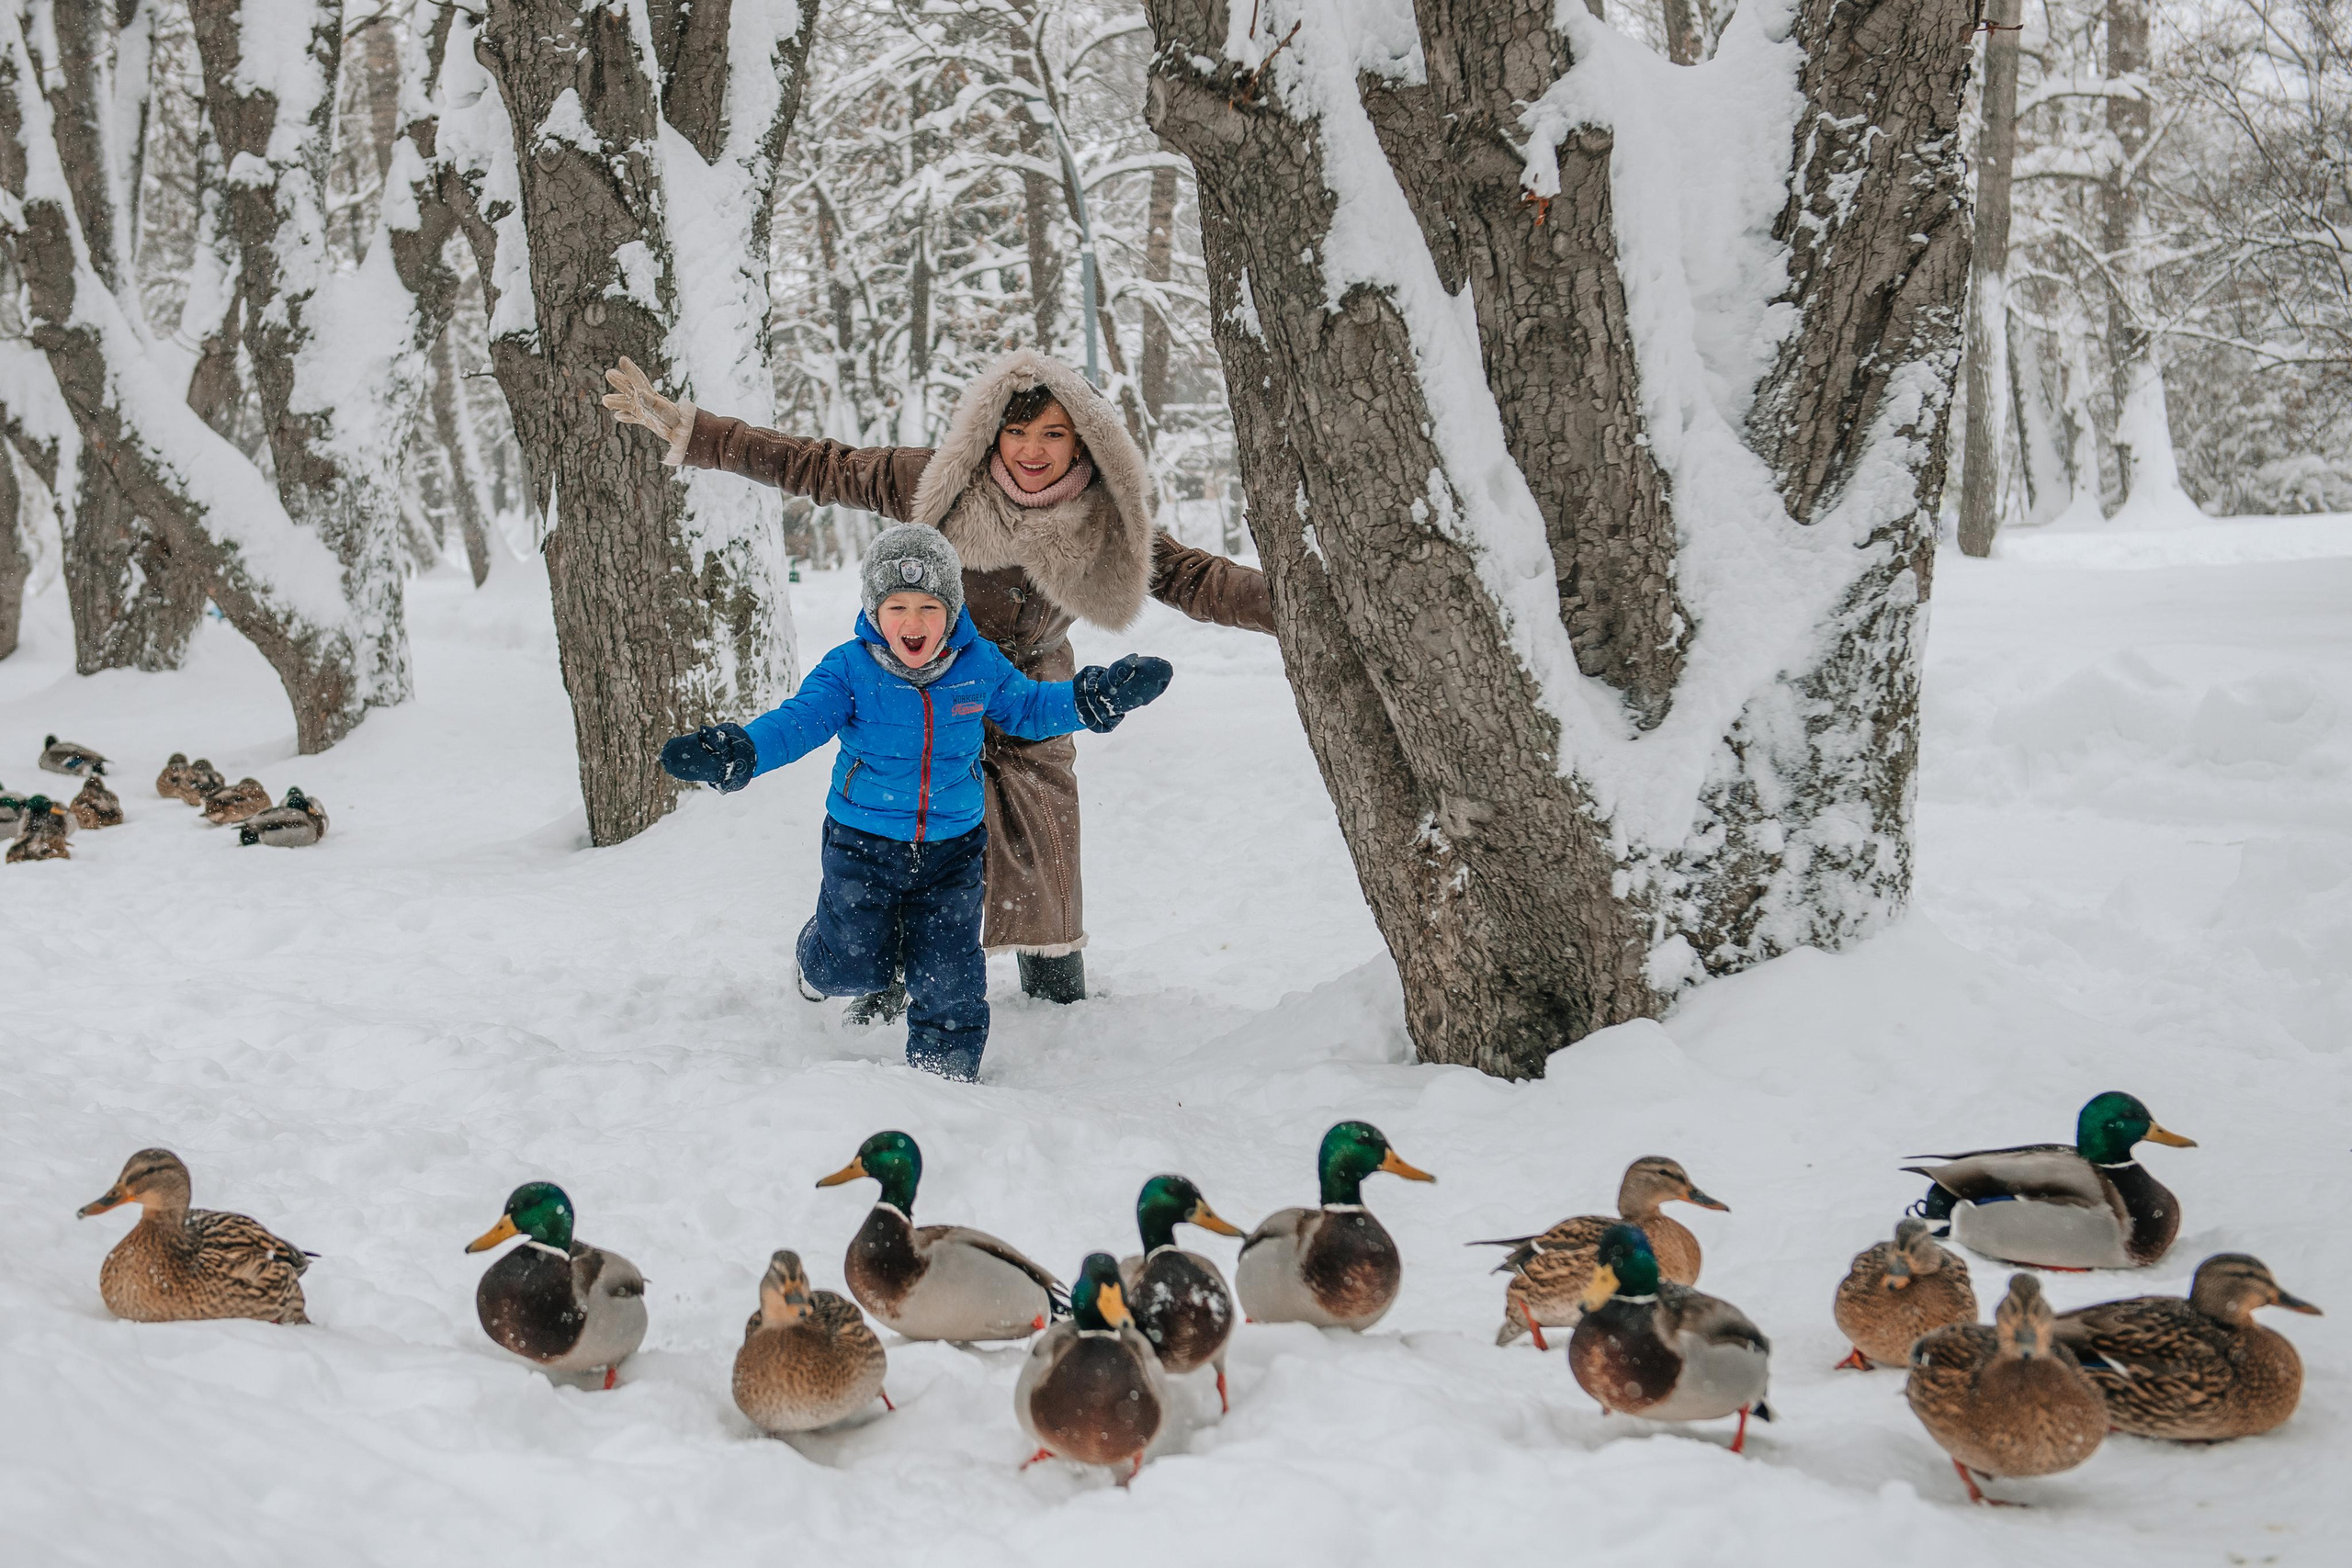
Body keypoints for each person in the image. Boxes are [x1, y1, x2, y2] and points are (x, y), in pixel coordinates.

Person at [603, 348, 1276, 1010]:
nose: (1032, 451)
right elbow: (820, 465)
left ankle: (1053, 980)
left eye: (1052, 434)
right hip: (916, 670)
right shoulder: (942, 479)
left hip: (1030, 680)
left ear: (1082, 442)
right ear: (994, 432)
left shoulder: (1106, 518)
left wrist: (1291, 606)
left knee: (1045, 823)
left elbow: (1194, 576)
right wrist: (696, 432)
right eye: (1016, 432)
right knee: (908, 825)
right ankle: (885, 974)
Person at [658, 525, 1172, 1081]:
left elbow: (1028, 710)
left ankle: (942, 1079)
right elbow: (796, 723)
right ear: (874, 610)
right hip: (862, 845)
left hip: (953, 853)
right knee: (854, 963)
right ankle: (816, 962)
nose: (913, 622)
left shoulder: (979, 665)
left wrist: (1091, 698)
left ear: (952, 610)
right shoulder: (849, 668)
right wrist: (742, 751)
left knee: (951, 977)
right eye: (897, 606)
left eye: (929, 606)